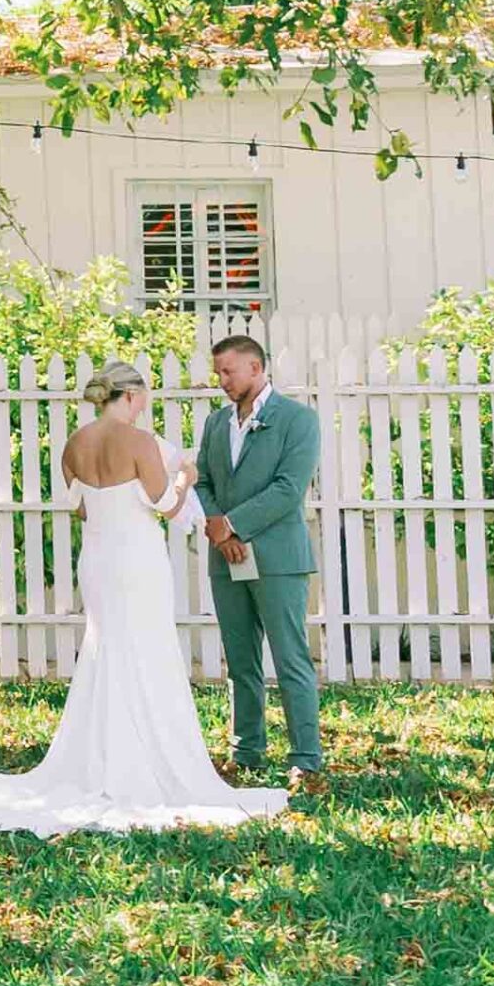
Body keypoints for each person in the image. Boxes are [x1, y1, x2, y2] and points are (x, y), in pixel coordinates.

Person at [0, 361, 291, 835]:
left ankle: (102, 755)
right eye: (146, 395)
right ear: (132, 396)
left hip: (97, 559)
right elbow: (166, 506)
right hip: (136, 558)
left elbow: (80, 507)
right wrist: (184, 472)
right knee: (147, 649)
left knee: (107, 651)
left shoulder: (75, 443)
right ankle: (147, 759)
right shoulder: (139, 442)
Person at [196, 333, 326, 790]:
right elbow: (203, 481)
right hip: (225, 555)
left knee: (291, 657)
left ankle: (306, 759)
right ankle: (245, 751)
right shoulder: (216, 424)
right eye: (218, 374)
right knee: (240, 659)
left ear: (256, 368)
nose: (222, 382)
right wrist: (218, 528)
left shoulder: (298, 420)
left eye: (228, 372)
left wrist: (232, 525)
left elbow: (289, 489)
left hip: (277, 558)